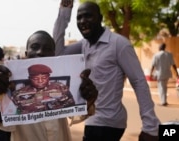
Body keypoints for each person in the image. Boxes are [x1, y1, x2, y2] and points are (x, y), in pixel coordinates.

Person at [53, 0, 160, 141]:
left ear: (100, 19)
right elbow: (57, 53)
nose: (83, 21)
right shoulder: (84, 45)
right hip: (93, 120)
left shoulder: (118, 44)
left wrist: (150, 126)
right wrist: (64, 12)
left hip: (107, 123)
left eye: (88, 16)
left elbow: (139, 82)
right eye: (79, 18)